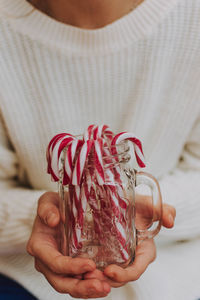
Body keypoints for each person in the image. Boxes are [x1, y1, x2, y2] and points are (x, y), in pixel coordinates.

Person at [0, 0, 199, 299]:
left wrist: (145, 210)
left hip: (183, 267)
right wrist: (44, 218)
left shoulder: (192, 19)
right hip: (24, 275)